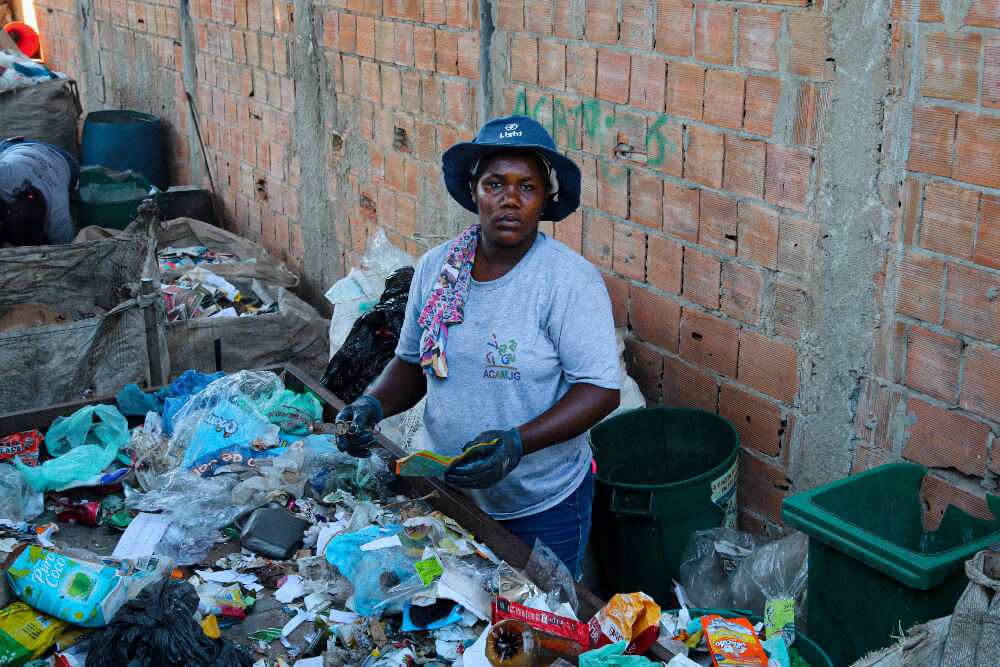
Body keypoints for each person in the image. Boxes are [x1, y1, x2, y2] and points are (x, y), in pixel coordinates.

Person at [335, 115, 621, 579]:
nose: (510, 199)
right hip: (450, 493)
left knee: (538, 631)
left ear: (546, 199)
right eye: (495, 184)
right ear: (474, 191)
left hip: (541, 506)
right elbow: (413, 364)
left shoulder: (568, 282)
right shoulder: (436, 270)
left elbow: (601, 388)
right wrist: (371, 404)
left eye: (527, 187)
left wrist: (517, 443)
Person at [0, 137, 80, 246]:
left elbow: (68, 251)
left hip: (60, 159)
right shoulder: (4, 174)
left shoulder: (58, 217)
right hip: (15, 147)